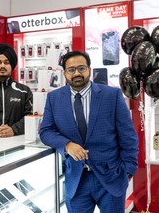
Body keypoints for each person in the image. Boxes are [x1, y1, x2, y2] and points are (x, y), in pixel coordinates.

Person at [39, 50, 139, 212]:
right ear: (64, 73)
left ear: (89, 70)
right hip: (77, 181)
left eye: (81, 68)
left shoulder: (111, 95)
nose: (77, 73)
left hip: (111, 178)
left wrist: (128, 171)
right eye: (71, 70)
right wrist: (67, 145)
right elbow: (46, 131)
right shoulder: (54, 98)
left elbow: (128, 137)